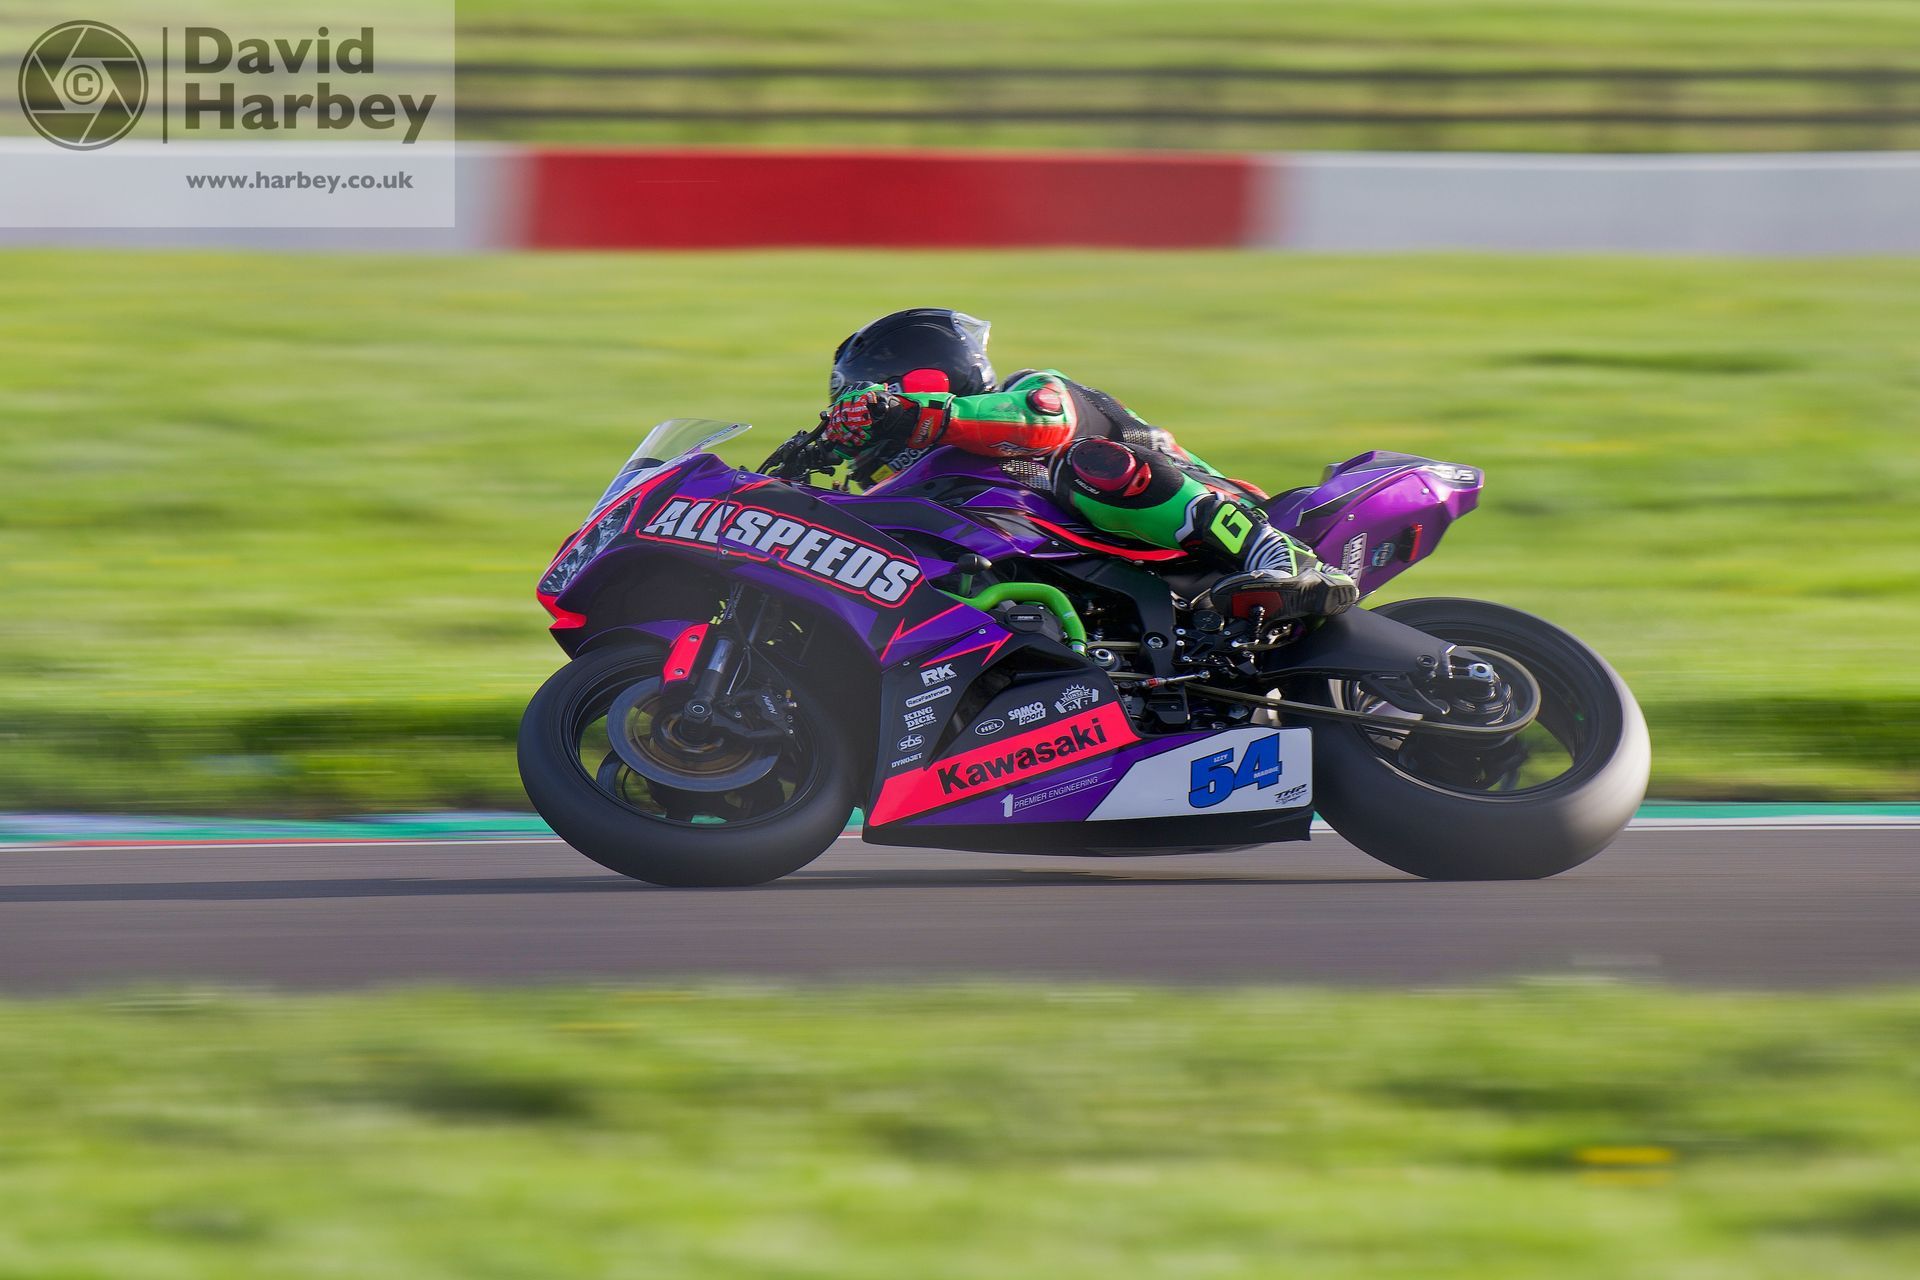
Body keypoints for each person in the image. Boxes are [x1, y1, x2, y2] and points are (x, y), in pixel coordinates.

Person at [821, 308, 1358, 620]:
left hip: (1208, 522)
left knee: (1083, 464)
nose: (862, 417)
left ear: (932, 378)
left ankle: (1278, 554)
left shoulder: (1033, 394)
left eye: (873, 396)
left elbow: (1039, 421)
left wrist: (911, 414)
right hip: (1122, 575)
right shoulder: (943, 485)